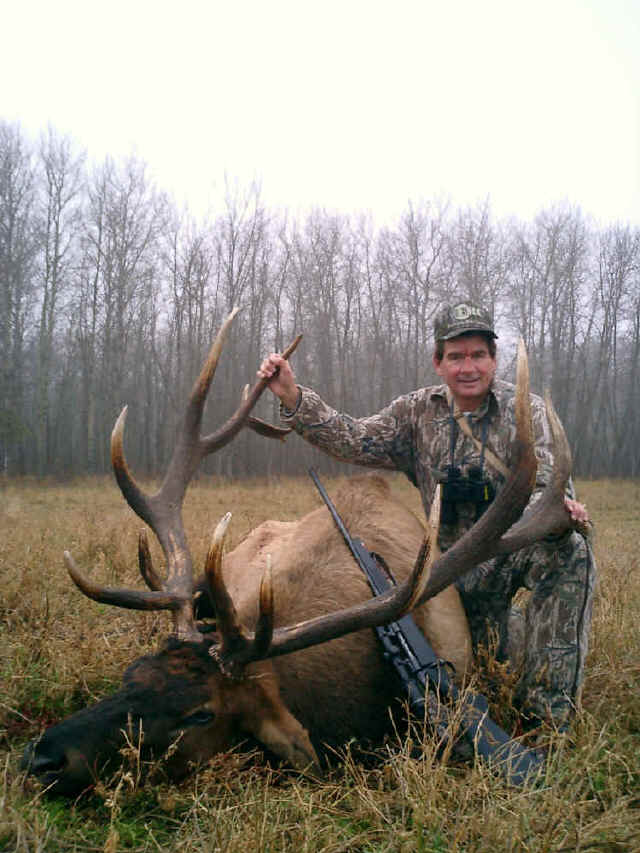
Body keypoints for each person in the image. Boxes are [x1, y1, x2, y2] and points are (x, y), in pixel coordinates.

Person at [258, 300, 596, 734]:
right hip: (441, 579)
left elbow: (550, 487)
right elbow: (355, 439)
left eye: (478, 355)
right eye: (456, 356)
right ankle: (504, 637)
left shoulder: (527, 413)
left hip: (506, 556)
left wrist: (560, 511)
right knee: (483, 656)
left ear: (494, 359)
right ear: (439, 362)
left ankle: (546, 716)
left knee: (570, 550)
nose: (468, 367)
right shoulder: (415, 413)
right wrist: (293, 396)